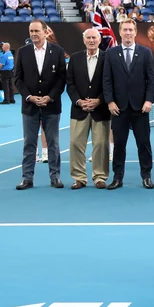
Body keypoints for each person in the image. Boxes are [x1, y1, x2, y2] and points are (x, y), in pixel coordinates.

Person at [14, 19, 67, 189]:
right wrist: (29, 97)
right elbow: (18, 79)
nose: (34, 34)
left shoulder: (58, 52)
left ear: (45, 32)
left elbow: (61, 79)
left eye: (37, 31)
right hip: (29, 107)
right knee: (29, 143)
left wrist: (49, 97)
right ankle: (27, 178)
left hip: (51, 106)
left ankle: (55, 177)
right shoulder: (22, 52)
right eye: (31, 31)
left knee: (53, 142)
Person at [103, 19, 154, 189]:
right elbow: (107, 80)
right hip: (118, 108)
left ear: (135, 32)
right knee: (119, 145)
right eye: (125, 30)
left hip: (140, 108)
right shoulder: (111, 54)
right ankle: (117, 177)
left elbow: (151, 80)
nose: (127, 33)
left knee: (144, 144)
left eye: (130, 30)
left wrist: (149, 100)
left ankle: (146, 176)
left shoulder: (146, 53)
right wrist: (110, 102)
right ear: (120, 32)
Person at [66, 28, 111, 189]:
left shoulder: (108, 58)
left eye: (94, 38)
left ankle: (100, 176)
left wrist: (99, 101)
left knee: (101, 144)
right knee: (75, 143)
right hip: (79, 110)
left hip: (101, 110)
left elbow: (109, 84)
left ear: (100, 40)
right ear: (84, 40)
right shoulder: (75, 59)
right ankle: (79, 177)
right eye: (88, 38)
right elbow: (70, 84)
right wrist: (79, 101)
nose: (91, 40)